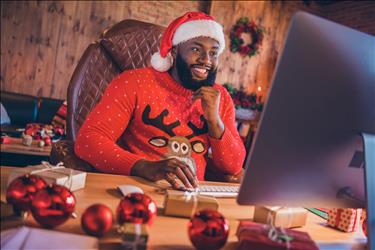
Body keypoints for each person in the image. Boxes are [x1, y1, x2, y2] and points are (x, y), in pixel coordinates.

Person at [75, 11, 246, 190]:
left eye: (213, 52)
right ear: (174, 50)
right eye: (196, 49)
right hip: (138, 190)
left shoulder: (221, 97)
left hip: (194, 197)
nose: (206, 60)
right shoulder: (135, 82)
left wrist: (215, 121)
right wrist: (144, 167)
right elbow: (88, 141)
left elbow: (233, 166)